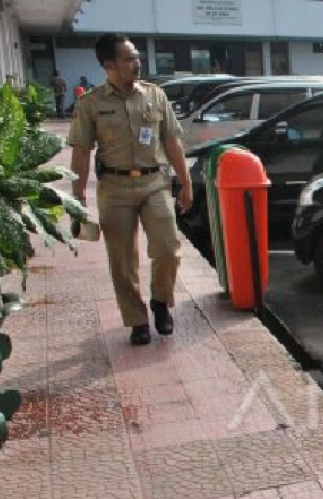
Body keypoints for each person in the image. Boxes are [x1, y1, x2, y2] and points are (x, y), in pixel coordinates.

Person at [68, 33, 193, 346]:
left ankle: (160, 303)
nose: (137, 63)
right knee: (122, 260)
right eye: (129, 58)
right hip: (114, 188)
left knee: (167, 248)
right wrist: (77, 193)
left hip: (155, 183)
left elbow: (171, 142)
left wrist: (186, 182)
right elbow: (81, 150)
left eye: (137, 57)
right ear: (109, 64)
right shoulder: (91, 103)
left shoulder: (155, 95)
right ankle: (137, 320)